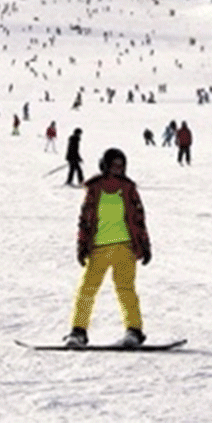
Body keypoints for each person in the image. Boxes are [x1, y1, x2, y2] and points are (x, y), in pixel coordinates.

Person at [64, 148, 153, 348]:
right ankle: (78, 331)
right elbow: (85, 220)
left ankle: (134, 330)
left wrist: (145, 244)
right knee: (87, 289)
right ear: (104, 165)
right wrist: (81, 244)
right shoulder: (95, 188)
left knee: (125, 290)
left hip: (125, 247)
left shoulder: (128, 188)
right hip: (98, 248)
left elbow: (138, 218)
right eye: (114, 165)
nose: (118, 170)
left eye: (121, 166)